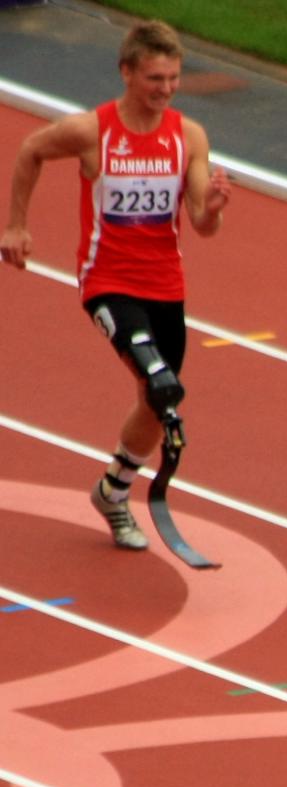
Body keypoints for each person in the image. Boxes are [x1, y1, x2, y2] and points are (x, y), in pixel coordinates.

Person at [1, 19, 231, 551]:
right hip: (106, 281)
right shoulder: (93, 131)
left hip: (166, 284)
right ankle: (119, 493)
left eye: (173, 78)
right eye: (155, 78)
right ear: (126, 73)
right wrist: (16, 224)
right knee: (156, 377)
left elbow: (201, 222)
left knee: (161, 398)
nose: (166, 88)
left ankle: (113, 489)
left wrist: (214, 209)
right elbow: (32, 149)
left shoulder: (188, 136)